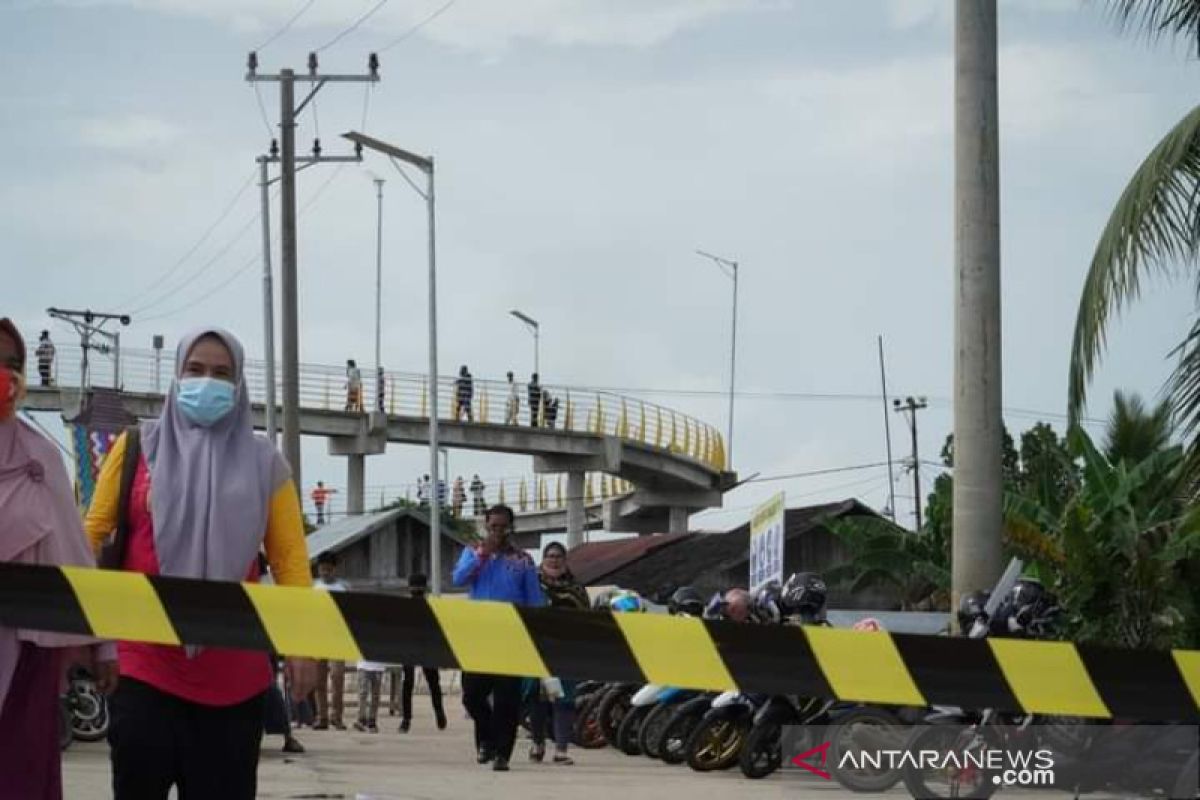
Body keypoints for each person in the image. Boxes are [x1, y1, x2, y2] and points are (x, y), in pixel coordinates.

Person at [83, 327, 316, 800]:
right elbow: (88, 539)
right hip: (143, 667)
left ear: (239, 384)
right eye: (195, 369)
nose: (206, 381)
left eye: (221, 373)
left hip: (234, 680)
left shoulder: (265, 463)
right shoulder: (135, 448)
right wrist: (82, 636)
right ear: (176, 375)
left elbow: (290, 562)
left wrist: (302, 647)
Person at [0, 317, 118, 800]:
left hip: (25, 657)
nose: (3, 375)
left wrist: (105, 644)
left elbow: (74, 556)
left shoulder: (40, 457)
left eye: (12, 364)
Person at [452, 505, 545, 772]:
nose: (498, 532)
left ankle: (502, 753)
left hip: (511, 638)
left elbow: (534, 600)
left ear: (511, 527)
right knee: (472, 696)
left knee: (507, 699)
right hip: (479, 637)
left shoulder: (523, 560)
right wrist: (481, 555)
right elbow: (458, 579)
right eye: (493, 527)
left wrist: (534, 636)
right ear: (486, 526)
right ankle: (487, 740)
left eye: (503, 527)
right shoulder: (472, 551)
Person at [526, 542, 587, 765]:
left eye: (559, 556)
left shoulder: (576, 588)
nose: (554, 560)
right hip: (536, 648)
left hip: (565, 650)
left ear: (565, 560)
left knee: (564, 701)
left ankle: (561, 749)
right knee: (537, 700)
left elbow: (585, 618)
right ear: (543, 559)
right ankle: (538, 743)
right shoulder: (532, 585)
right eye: (550, 556)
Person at [396, 574, 447, 733]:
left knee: (430, 683)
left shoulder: (429, 605)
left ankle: (436, 713)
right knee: (412, 684)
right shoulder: (406, 607)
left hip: (424, 647)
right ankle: (408, 718)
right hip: (411, 647)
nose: (416, 591)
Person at [312, 552, 349, 730]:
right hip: (318, 637)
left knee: (337, 677)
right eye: (322, 569)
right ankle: (322, 716)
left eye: (328, 569)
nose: (324, 573)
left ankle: (337, 716)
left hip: (337, 638)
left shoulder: (343, 589)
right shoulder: (314, 587)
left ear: (334, 569)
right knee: (319, 680)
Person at [354, 657, 386, 733]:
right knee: (363, 692)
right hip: (363, 665)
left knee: (375, 695)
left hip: (378, 666)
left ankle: (372, 720)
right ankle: (361, 719)